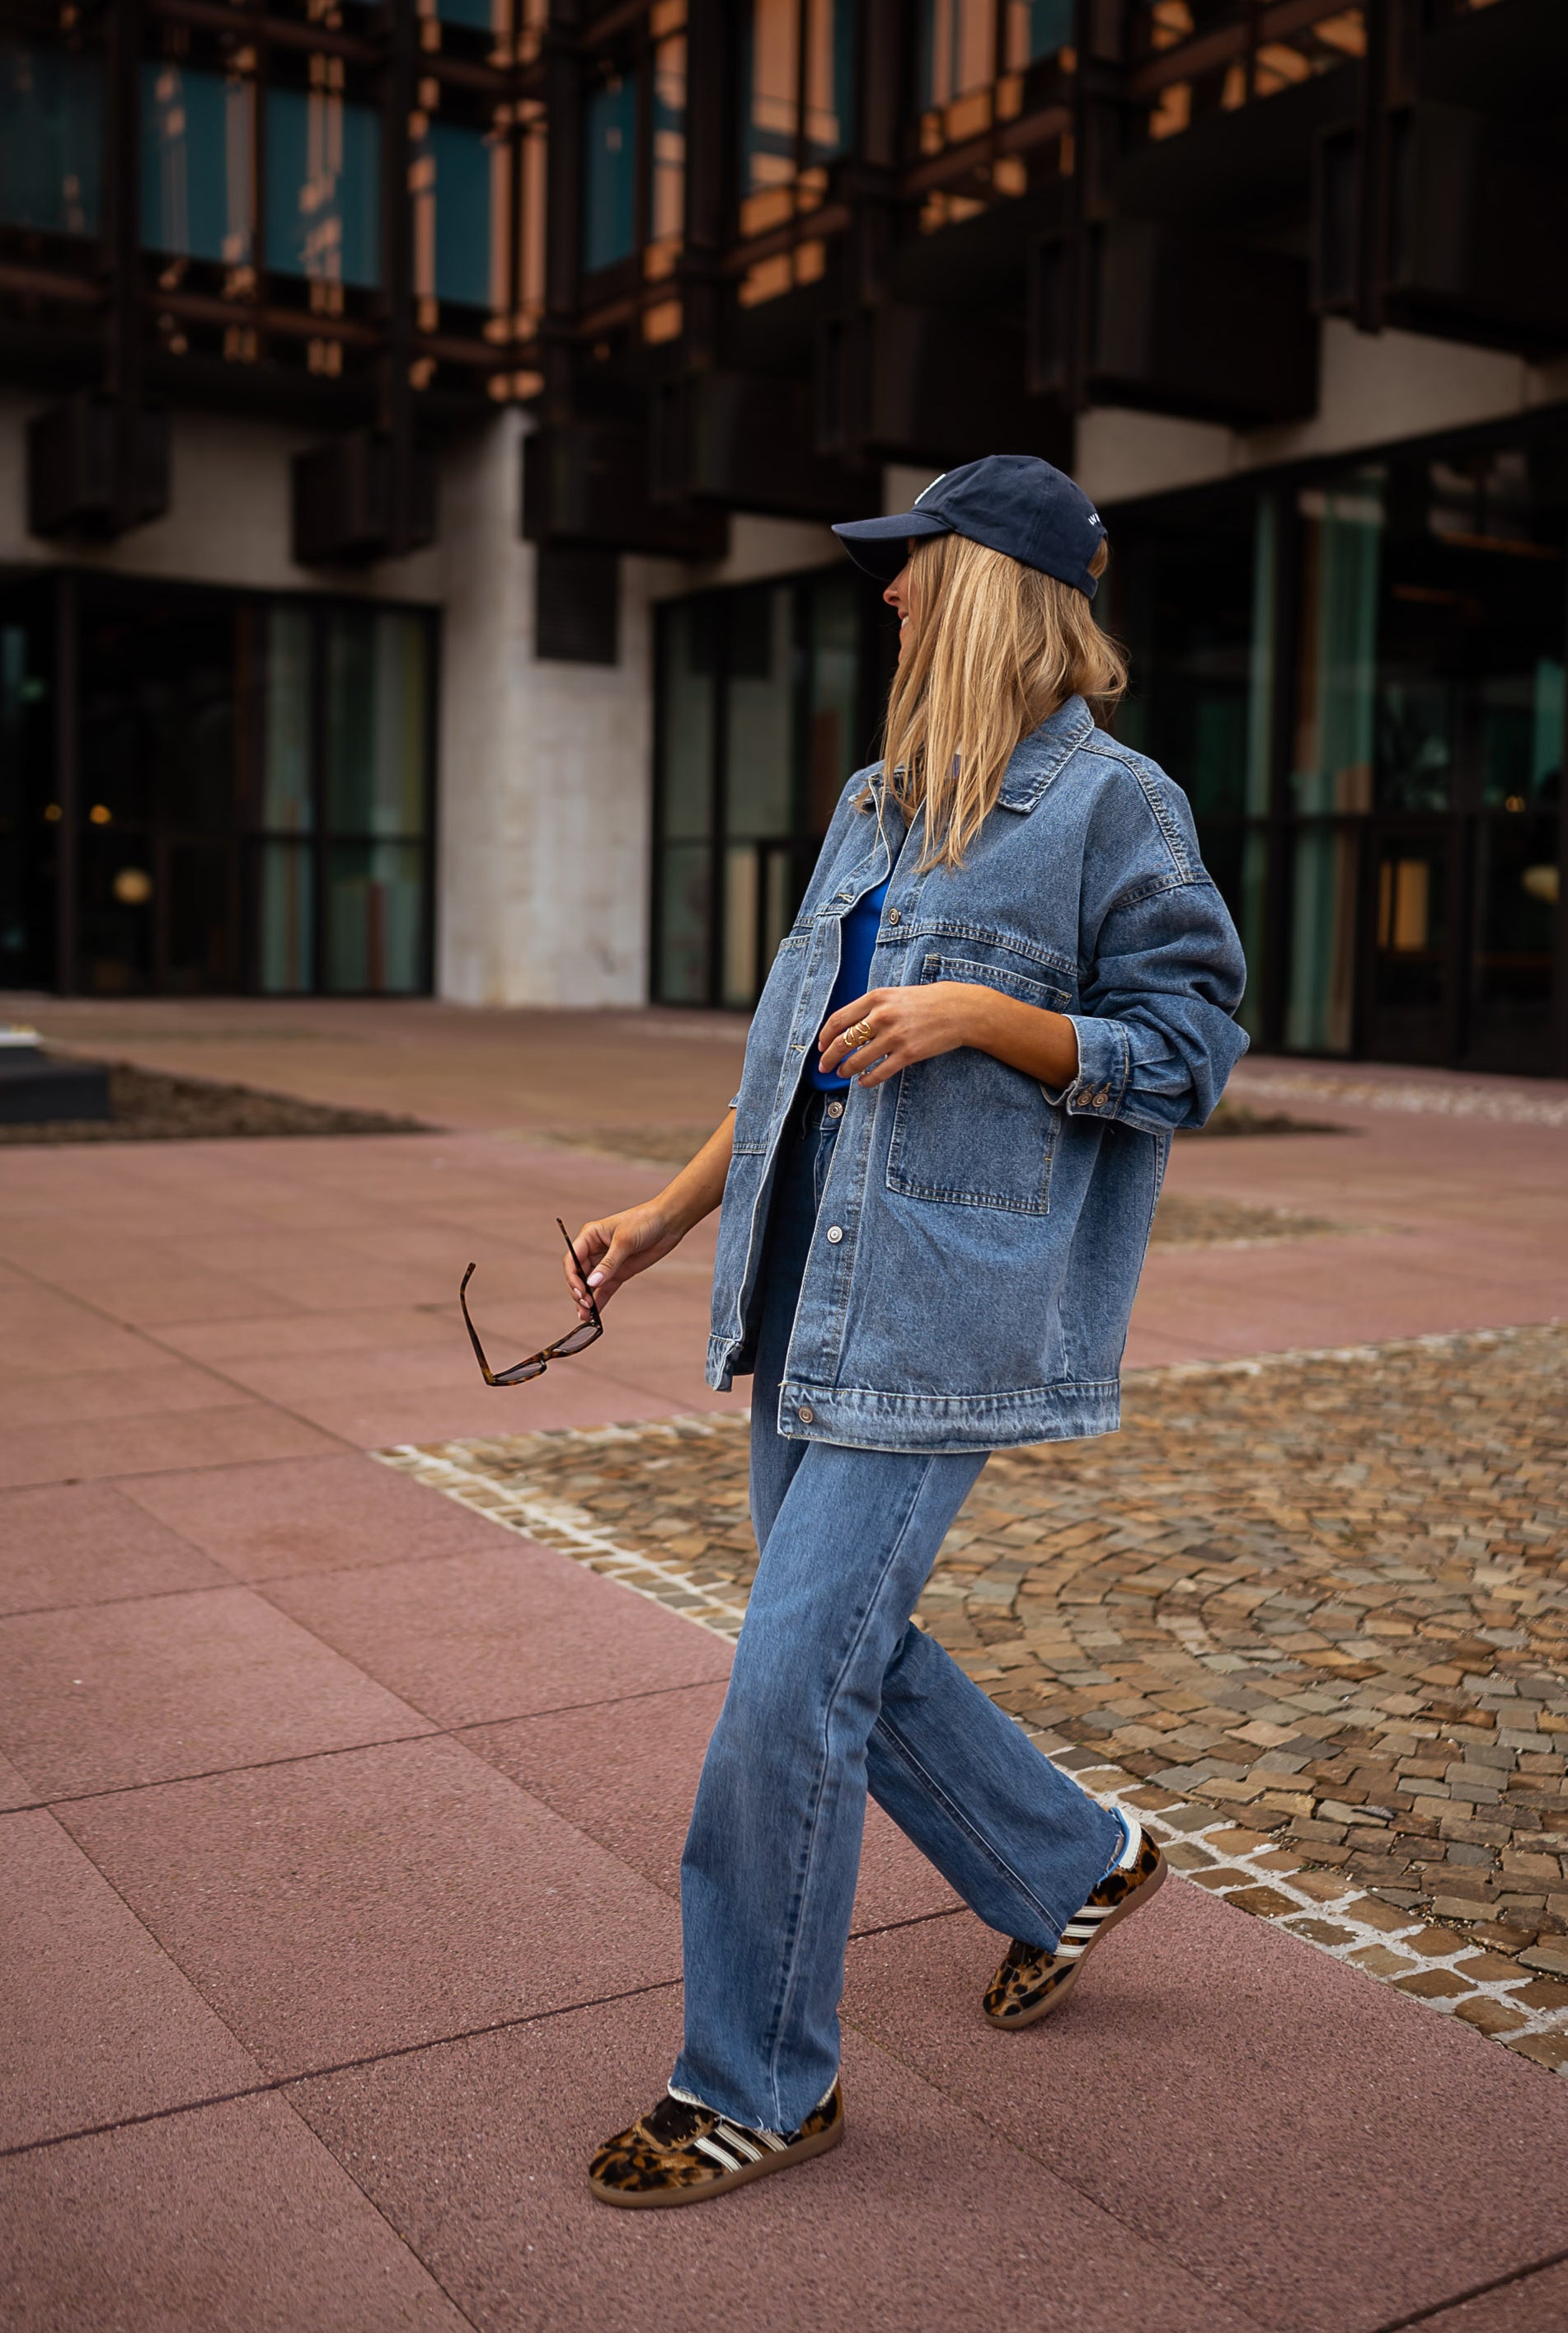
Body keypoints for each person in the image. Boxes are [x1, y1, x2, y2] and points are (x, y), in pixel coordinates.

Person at [563, 454, 1248, 2209]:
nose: (887, 596)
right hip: (802, 1291)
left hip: (940, 1311)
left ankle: (753, 2082)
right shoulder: (873, 802)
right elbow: (796, 1059)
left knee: (788, 1686)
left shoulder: (1114, 808)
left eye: (912, 567)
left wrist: (982, 1013)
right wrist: (661, 1219)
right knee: (836, 1651)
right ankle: (1071, 1861)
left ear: (991, 588)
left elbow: (1187, 1052)